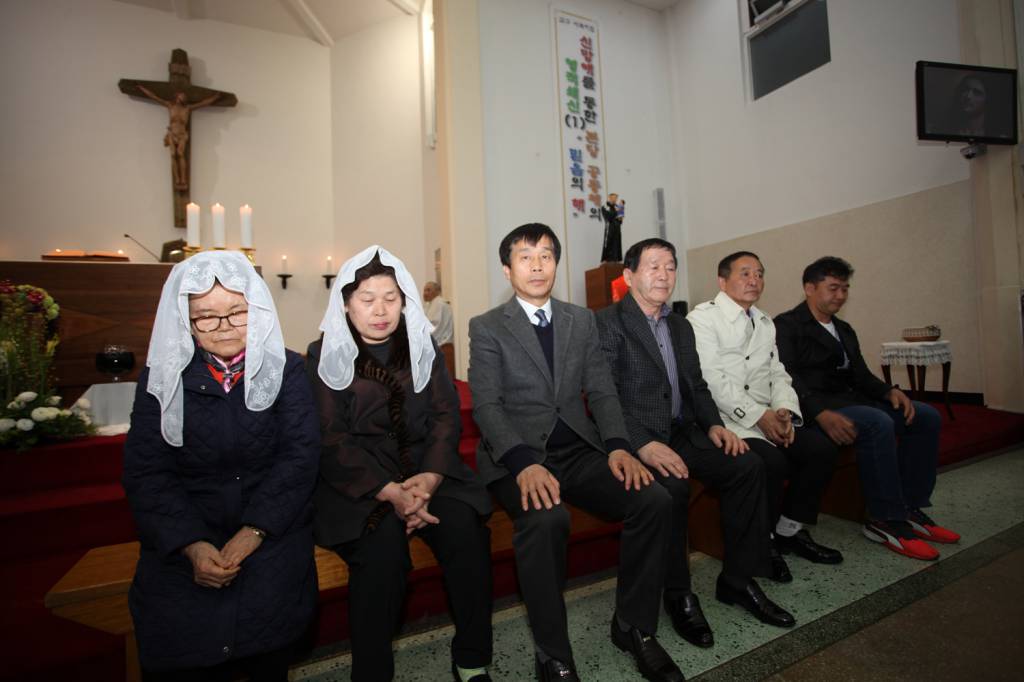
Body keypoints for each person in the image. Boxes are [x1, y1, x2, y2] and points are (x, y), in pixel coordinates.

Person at [469, 223, 683, 682]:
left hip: (578, 451)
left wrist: (619, 447)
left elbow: (602, 390)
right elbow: (486, 406)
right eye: (525, 257)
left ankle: (634, 627)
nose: (537, 266)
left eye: (546, 256)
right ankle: (553, 654)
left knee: (653, 499)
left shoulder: (580, 320)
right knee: (547, 520)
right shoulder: (487, 327)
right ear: (507, 270)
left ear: (556, 265)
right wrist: (523, 464)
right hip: (518, 455)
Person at [123, 251, 320, 681]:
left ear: (257, 310)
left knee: (268, 627)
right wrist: (191, 544)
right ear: (186, 320)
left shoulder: (288, 370)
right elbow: (147, 471)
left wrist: (254, 531)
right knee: (180, 635)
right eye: (206, 317)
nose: (225, 326)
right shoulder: (160, 377)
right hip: (186, 534)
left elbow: (300, 456)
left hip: (270, 529)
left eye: (237, 312)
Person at [596, 239, 796, 652]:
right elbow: (605, 397)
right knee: (671, 489)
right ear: (629, 276)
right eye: (653, 266)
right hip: (640, 439)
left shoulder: (679, 324)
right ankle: (678, 594)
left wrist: (715, 426)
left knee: (748, 466)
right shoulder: (607, 323)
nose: (664, 275)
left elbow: (697, 386)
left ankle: (738, 579)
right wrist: (642, 445)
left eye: (670, 267)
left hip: (684, 432)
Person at [308, 246, 493, 682]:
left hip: (427, 471)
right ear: (346, 303)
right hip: (360, 483)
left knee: (466, 531)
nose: (380, 310)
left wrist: (429, 478)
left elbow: (446, 414)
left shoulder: (422, 343)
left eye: (391, 298)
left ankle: (471, 658)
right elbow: (330, 436)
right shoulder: (323, 352)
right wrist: (388, 490)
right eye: (367, 299)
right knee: (382, 551)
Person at [774, 256, 961, 561]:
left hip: (851, 401)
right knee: (876, 422)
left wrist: (889, 391)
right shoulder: (787, 325)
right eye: (833, 288)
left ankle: (909, 506)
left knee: (925, 416)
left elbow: (860, 375)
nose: (840, 295)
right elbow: (786, 376)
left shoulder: (844, 329)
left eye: (845, 289)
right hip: (815, 408)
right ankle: (885, 519)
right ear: (809, 288)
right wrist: (820, 413)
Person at [687, 251, 843, 574]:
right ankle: (764, 540)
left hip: (766, 416)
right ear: (722, 281)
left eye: (759, 274)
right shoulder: (702, 318)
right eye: (745, 273)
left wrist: (784, 410)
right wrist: (759, 416)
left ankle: (789, 530)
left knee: (820, 449)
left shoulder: (764, 322)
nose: (754, 280)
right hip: (726, 419)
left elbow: (778, 373)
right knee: (771, 462)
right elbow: (711, 379)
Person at [136, 86, 222, 189]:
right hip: (172, 133)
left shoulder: (187, 108)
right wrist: (142, 88)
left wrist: (215, 97)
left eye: (185, 96)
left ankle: (183, 179)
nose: (184, 97)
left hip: (182, 134)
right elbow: (154, 97)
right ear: (177, 96)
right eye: (182, 95)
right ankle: (177, 179)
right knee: (173, 155)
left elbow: (203, 103)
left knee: (180, 154)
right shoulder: (170, 106)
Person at [422, 280, 456, 377]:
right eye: (424, 290)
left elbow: (435, 326)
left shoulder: (439, 304)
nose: (425, 293)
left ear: (437, 291)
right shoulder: (430, 304)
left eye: (428, 290)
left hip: (442, 346)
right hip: (436, 345)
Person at [599, 193, 624, 263]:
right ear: (609, 198)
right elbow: (608, 217)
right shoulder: (605, 207)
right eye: (613, 198)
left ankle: (617, 259)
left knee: (617, 244)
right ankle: (606, 259)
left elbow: (620, 220)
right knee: (608, 243)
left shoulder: (617, 206)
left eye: (616, 198)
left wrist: (621, 213)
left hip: (617, 228)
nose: (614, 199)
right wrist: (617, 211)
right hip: (609, 228)